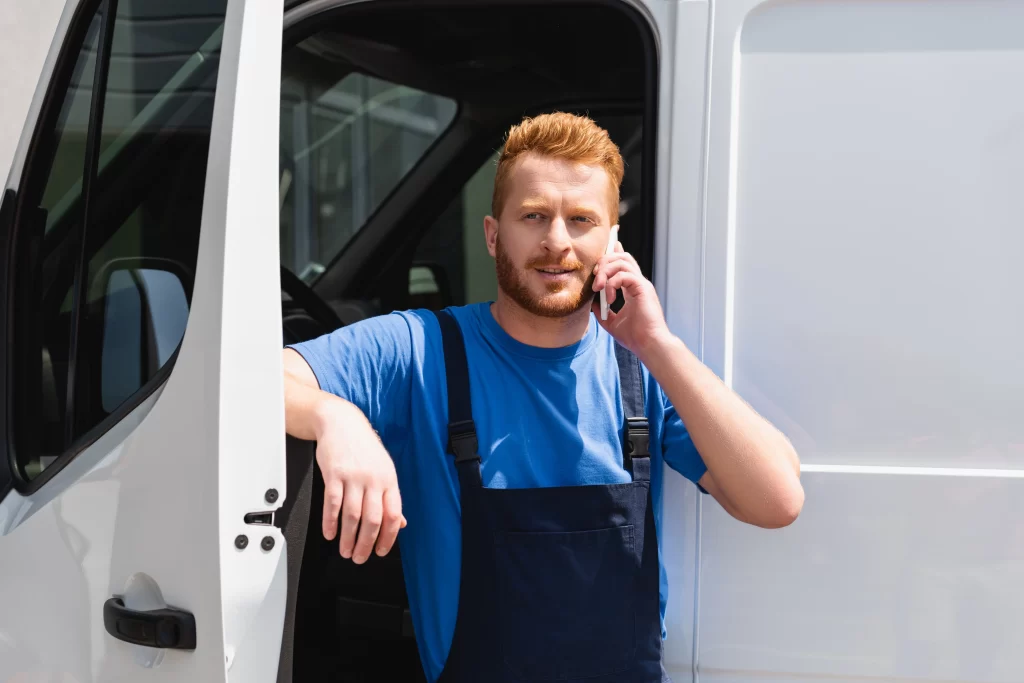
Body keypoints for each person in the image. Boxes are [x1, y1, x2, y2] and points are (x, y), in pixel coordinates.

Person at [282, 112, 804, 682]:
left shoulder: (644, 369)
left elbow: (777, 500)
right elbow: (252, 381)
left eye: (581, 219)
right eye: (533, 216)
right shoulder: (419, 350)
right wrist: (334, 417)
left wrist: (657, 343)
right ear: (492, 233)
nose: (556, 241)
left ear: (612, 242)